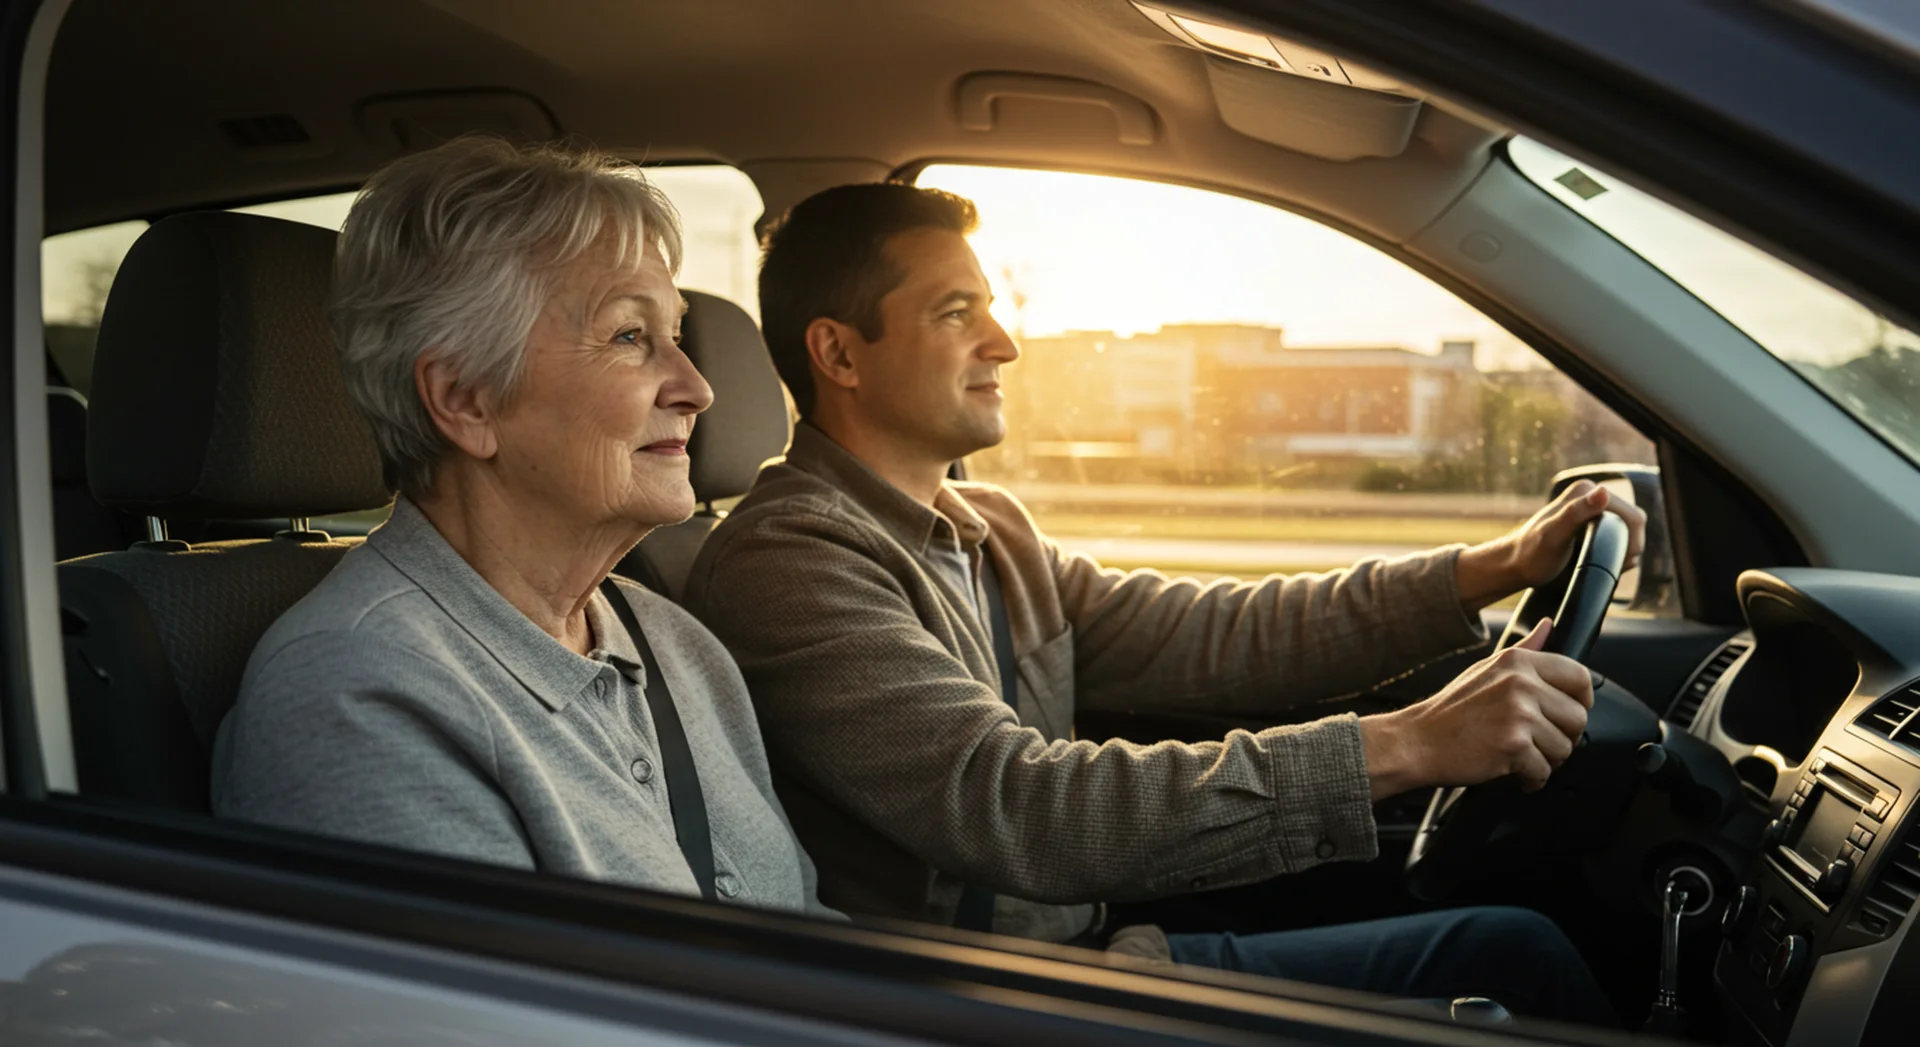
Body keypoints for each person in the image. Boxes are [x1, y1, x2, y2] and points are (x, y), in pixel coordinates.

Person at [682, 183, 1645, 1023]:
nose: (1005, 342)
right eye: (956, 313)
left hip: (1090, 945)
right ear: (839, 354)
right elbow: (1018, 805)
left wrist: (1492, 565)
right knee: (1518, 959)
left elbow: (1223, 633)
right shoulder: (791, 561)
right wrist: (1410, 743)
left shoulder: (991, 529)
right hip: (991, 995)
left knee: (1511, 945)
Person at [213, 137, 835, 919]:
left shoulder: (679, 646)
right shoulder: (356, 696)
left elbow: (808, 934)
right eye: (629, 336)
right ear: (466, 399)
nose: (697, 387)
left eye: (674, 333)